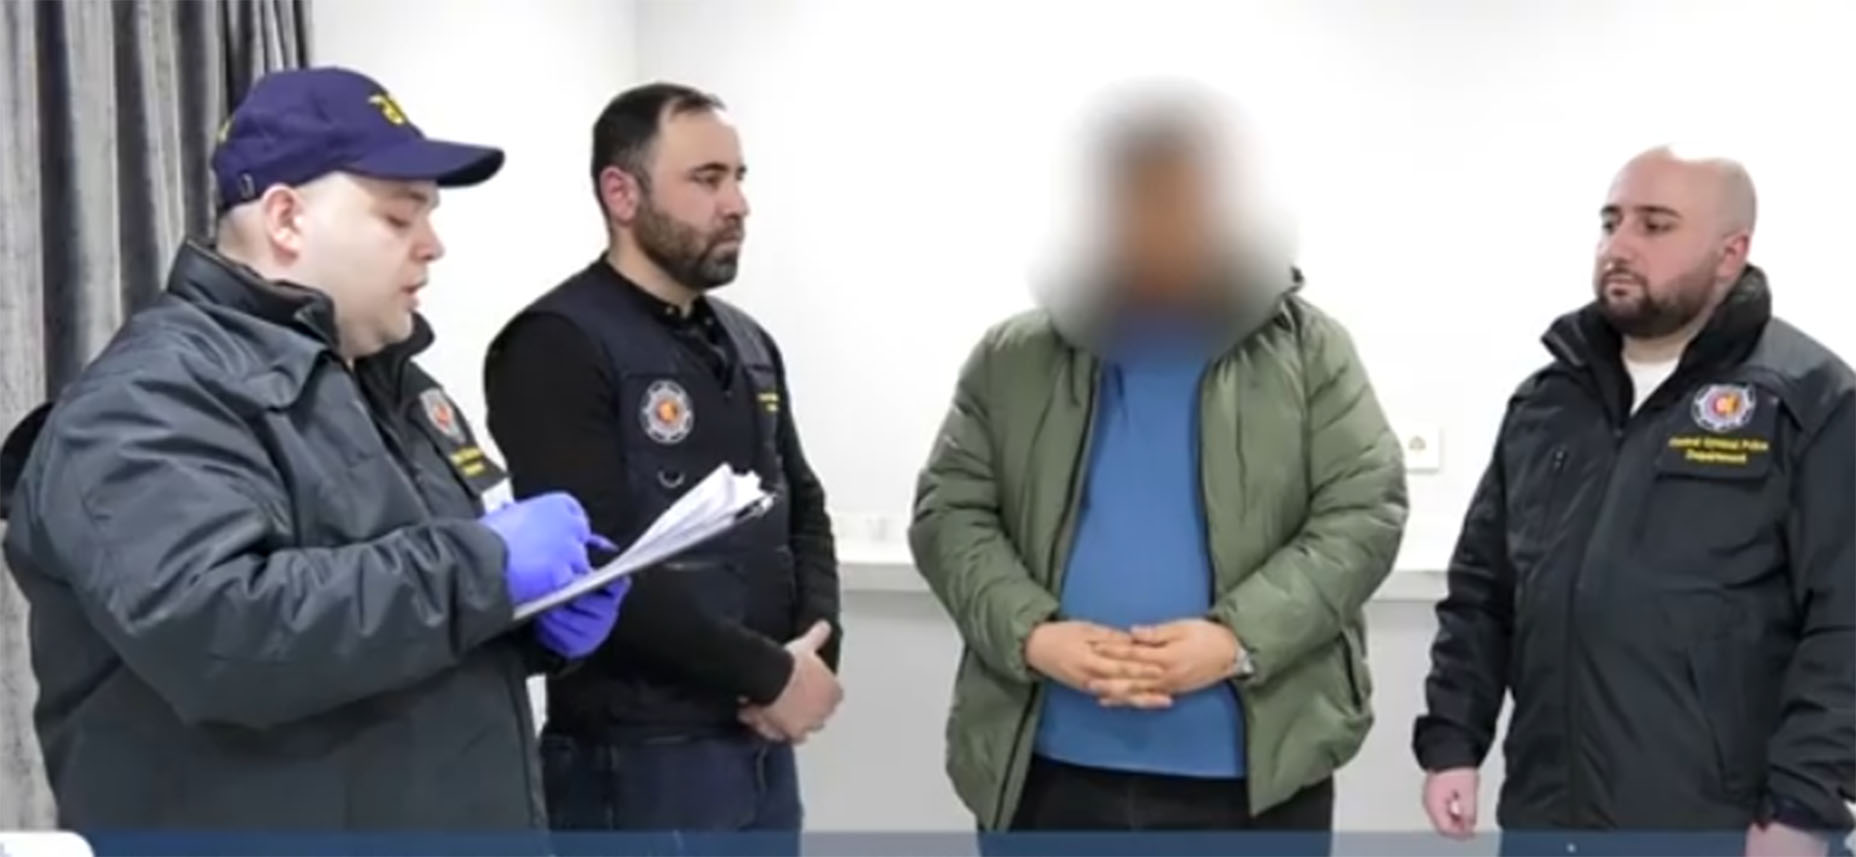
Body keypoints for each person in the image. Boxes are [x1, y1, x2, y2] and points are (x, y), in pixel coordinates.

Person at [0, 66, 630, 830]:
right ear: (287, 218)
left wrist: (532, 618)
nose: (433, 246)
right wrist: (483, 567)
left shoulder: (396, 385)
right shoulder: (145, 399)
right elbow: (222, 634)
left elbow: (395, 632)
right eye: (400, 217)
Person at [908, 89, 1408, 851]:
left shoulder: (1310, 352)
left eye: (1179, 201)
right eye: (1135, 201)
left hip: (1252, 780)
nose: (1157, 225)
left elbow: (1364, 512)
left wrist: (1236, 638)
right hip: (1046, 770)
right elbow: (949, 513)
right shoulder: (1013, 358)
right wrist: (1032, 633)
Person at [1413, 146, 1855, 857]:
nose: (1618, 247)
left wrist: (1804, 807)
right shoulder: (1548, 402)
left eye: (1655, 225)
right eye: (1610, 221)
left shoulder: (1808, 401)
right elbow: (1484, 592)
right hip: (1549, 819)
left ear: (1730, 253)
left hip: (1725, 828)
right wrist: (1452, 741)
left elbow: (1844, 625)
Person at [481, 82, 841, 839]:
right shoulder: (555, 344)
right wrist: (770, 674)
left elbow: (800, 504)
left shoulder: (748, 342)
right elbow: (597, 564)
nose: (737, 204)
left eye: (738, 177)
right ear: (622, 193)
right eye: (707, 179)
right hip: (634, 759)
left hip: (760, 746)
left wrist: (816, 648)